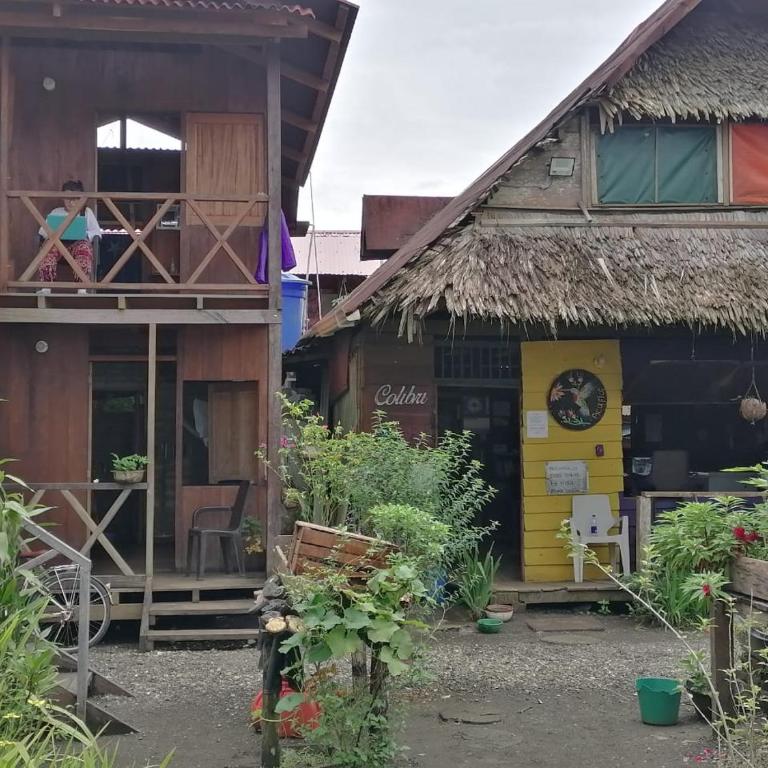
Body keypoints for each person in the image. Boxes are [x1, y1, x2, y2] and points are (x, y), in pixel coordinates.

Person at [38, 180, 101, 284]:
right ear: (63, 198)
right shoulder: (56, 212)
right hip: (58, 245)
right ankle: (46, 286)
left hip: (78, 244)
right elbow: (42, 232)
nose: (71, 202)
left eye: (75, 199)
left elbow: (96, 232)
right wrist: (51, 234)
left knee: (84, 248)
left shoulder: (86, 212)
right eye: (68, 198)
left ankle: (82, 286)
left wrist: (84, 234)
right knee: (47, 249)